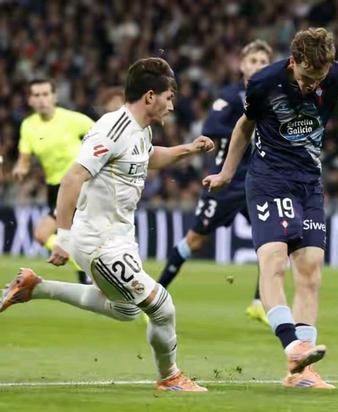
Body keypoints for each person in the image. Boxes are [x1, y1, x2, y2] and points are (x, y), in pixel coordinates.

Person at [1, 57, 215, 392]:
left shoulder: (140, 130)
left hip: (120, 237)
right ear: (150, 97)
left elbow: (148, 157)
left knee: (126, 310)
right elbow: (72, 178)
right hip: (98, 242)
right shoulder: (112, 128)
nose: (172, 106)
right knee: (162, 306)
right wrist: (63, 238)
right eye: (169, 97)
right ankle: (170, 376)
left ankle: (35, 287)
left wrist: (187, 149)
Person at [203, 27, 338, 388]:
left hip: (309, 184)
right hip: (268, 180)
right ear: (293, 61)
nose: (313, 86)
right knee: (275, 261)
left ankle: (302, 372)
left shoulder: (336, 74)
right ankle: (292, 346)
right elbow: (244, 127)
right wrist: (227, 173)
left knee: (310, 272)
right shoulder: (264, 82)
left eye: (319, 79)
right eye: (308, 77)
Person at [157, 40, 273, 325]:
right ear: (242, 65)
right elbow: (211, 127)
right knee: (195, 240)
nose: (258, 66)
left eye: (263, 62)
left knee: (273, 241)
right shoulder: (231, 96)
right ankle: (156, 295)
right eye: (253, 60)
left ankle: (259, 302)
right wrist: (247, 127)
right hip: (227, 181)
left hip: (260, 181)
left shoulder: (275, 96)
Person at [12, 79, 95, 284]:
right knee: (52, 236)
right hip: (54, 189)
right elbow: (24, 159)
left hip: (76, 184)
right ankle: (85, 270)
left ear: (54, 97)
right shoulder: (28, 126)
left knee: (42, 234)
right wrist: (20, 169)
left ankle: (84, 270)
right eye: (36, 95)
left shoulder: (74, 119)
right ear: (30, 100)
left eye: (45, 94)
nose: (42, 99)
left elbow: (103, 138)